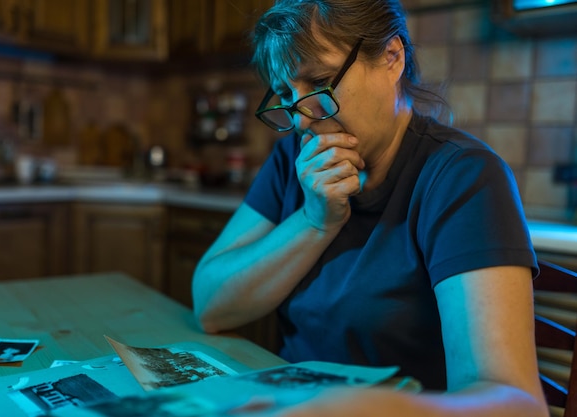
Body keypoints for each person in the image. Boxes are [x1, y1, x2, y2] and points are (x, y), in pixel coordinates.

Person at [192, 0, 548, 415]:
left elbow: (519, 405)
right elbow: (211, 306)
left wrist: (367, 408)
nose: (303, 120)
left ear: (391, 57)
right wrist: (314, 221)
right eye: (288, 94)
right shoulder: (294, 158)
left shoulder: (463, 177)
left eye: (320, 81)